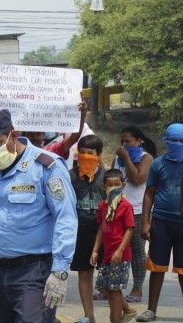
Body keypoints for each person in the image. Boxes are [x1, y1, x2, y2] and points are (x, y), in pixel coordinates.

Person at [0, 108, 78, 322]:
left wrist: (60, 270)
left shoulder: (46, 166)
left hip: (32, 271)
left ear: (13, 134)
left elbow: (65, 219)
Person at [135, 124, 183, 322]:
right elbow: (149, 193)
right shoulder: (157, 164)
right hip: (161, 221)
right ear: (165, 141)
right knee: (157, 267)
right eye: (174, 141)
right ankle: (151, 310)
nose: (177, 145)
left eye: (182, 141)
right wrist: (145, 222)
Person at [111, 126, 156, 305]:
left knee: (137, 251)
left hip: (136, 211)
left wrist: (127, 158)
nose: (124, 145)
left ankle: (137, 288)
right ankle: (111, 287)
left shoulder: (147, 158)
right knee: (114, 249)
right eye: (122, 142)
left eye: (128, 141)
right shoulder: (117, 159)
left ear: (139, 141)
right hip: (117, 209)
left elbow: (138, 179)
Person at [90, 169, 136, 323]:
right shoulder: (103, 206)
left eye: (117, 184)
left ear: (123, 185)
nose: (113, 187)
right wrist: (95, 250)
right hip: (107, 255)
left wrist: (120, 250)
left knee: (115, 291)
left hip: (120, 255)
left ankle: (115, 319)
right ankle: (127, 308)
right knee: (103, 287)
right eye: (110, 185)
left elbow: (130, 229)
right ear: (103, 186)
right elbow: (101, 229)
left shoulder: (125, 205)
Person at [69, 135, 106, 323]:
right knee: (84, 273)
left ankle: (123, 308)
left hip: (104, 233)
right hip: (80, 233)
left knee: (107, 278)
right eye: (82, 153)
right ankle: (89, 316)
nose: (85, 156)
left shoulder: (107, 177)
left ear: (98, 155)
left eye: (90, 153)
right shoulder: (71, 176)